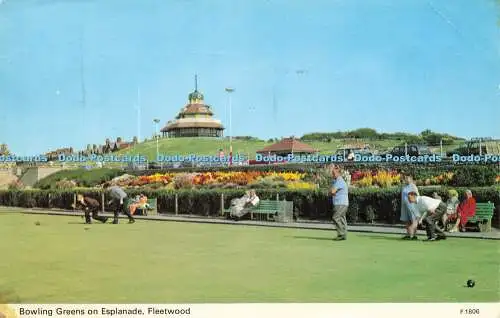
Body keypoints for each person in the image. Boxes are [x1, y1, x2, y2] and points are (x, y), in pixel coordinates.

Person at [330, 164, 349, 241]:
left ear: (338, 173)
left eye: (334, 173)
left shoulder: (339, 180)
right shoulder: (338, 180)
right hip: (343, 203)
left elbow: (332, 191)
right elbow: (333, 191)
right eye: (332, 173)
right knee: (342, 218)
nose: (333, 174)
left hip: (340, 203)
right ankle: (344, 234)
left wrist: (332, 192)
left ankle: (341, 234)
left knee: (336, 217)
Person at [400, 174, 420, 240]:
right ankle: (408, 234)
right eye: (405, 178)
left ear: (411, 179)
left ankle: (414, 235)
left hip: (412, 206)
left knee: (413, 220)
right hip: (404, 205)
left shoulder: (413, 186)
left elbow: (417, 196)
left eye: (407, 178)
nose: (406, 179)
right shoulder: (404, 186)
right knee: (406, 220)